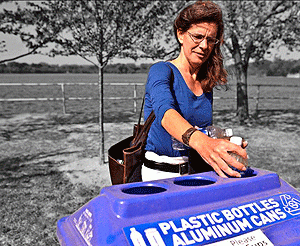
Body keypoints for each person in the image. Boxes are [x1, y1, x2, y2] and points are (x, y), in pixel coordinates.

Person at [142, 0, 248, 182]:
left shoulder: (206, 82)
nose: (205, 46)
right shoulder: (161, 71)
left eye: (210, 40)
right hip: (160, 175)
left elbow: (202, 129)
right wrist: (203, 142)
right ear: (180, 34)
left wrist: (220, 142)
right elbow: (166, 114)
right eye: (197, 37)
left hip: (197, 171)